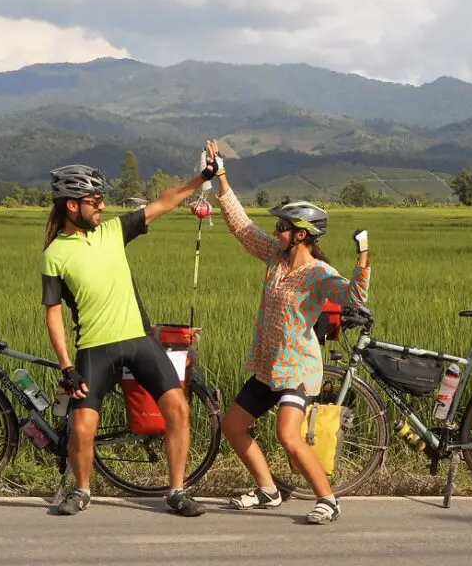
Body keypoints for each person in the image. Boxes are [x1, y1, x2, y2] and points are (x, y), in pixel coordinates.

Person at [204, 139, 371, 524]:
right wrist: (222, 177)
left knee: (288, 436)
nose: (276, 230)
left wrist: (363, 257)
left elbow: (353, 296)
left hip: (297, 370)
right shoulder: (275, 258)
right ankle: (267, 489)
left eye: (282, 227)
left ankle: (327, 500)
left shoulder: (318, 274)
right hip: (268, 366)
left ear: (301, 233)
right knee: (233, 426)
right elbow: (242, 228)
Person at [41, 161, 221, 517]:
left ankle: (176, 491)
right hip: (94, 348)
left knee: (178, 408)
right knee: (82, 424)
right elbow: (53, 313)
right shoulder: (54, 255)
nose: (103, 206)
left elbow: (164, 203)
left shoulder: (112, 231)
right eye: (95, 200)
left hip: (139, 340)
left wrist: (203, 178)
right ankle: (81, 490)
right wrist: (65, 367)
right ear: (73, 205)